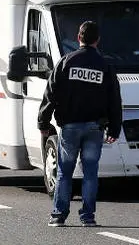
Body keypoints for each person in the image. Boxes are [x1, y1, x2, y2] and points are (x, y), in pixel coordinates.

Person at [38, 20, 122, 227]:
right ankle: (88, 217)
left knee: (64, 172)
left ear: (78, 38)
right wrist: (114, 128)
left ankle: (58, 215)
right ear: (98, 40)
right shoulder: (105, 66)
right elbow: (114, 100)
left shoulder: (66, 62)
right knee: (90, 172)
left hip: (70, 127)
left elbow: (51, 94)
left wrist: (43, 121)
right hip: (95, 127)